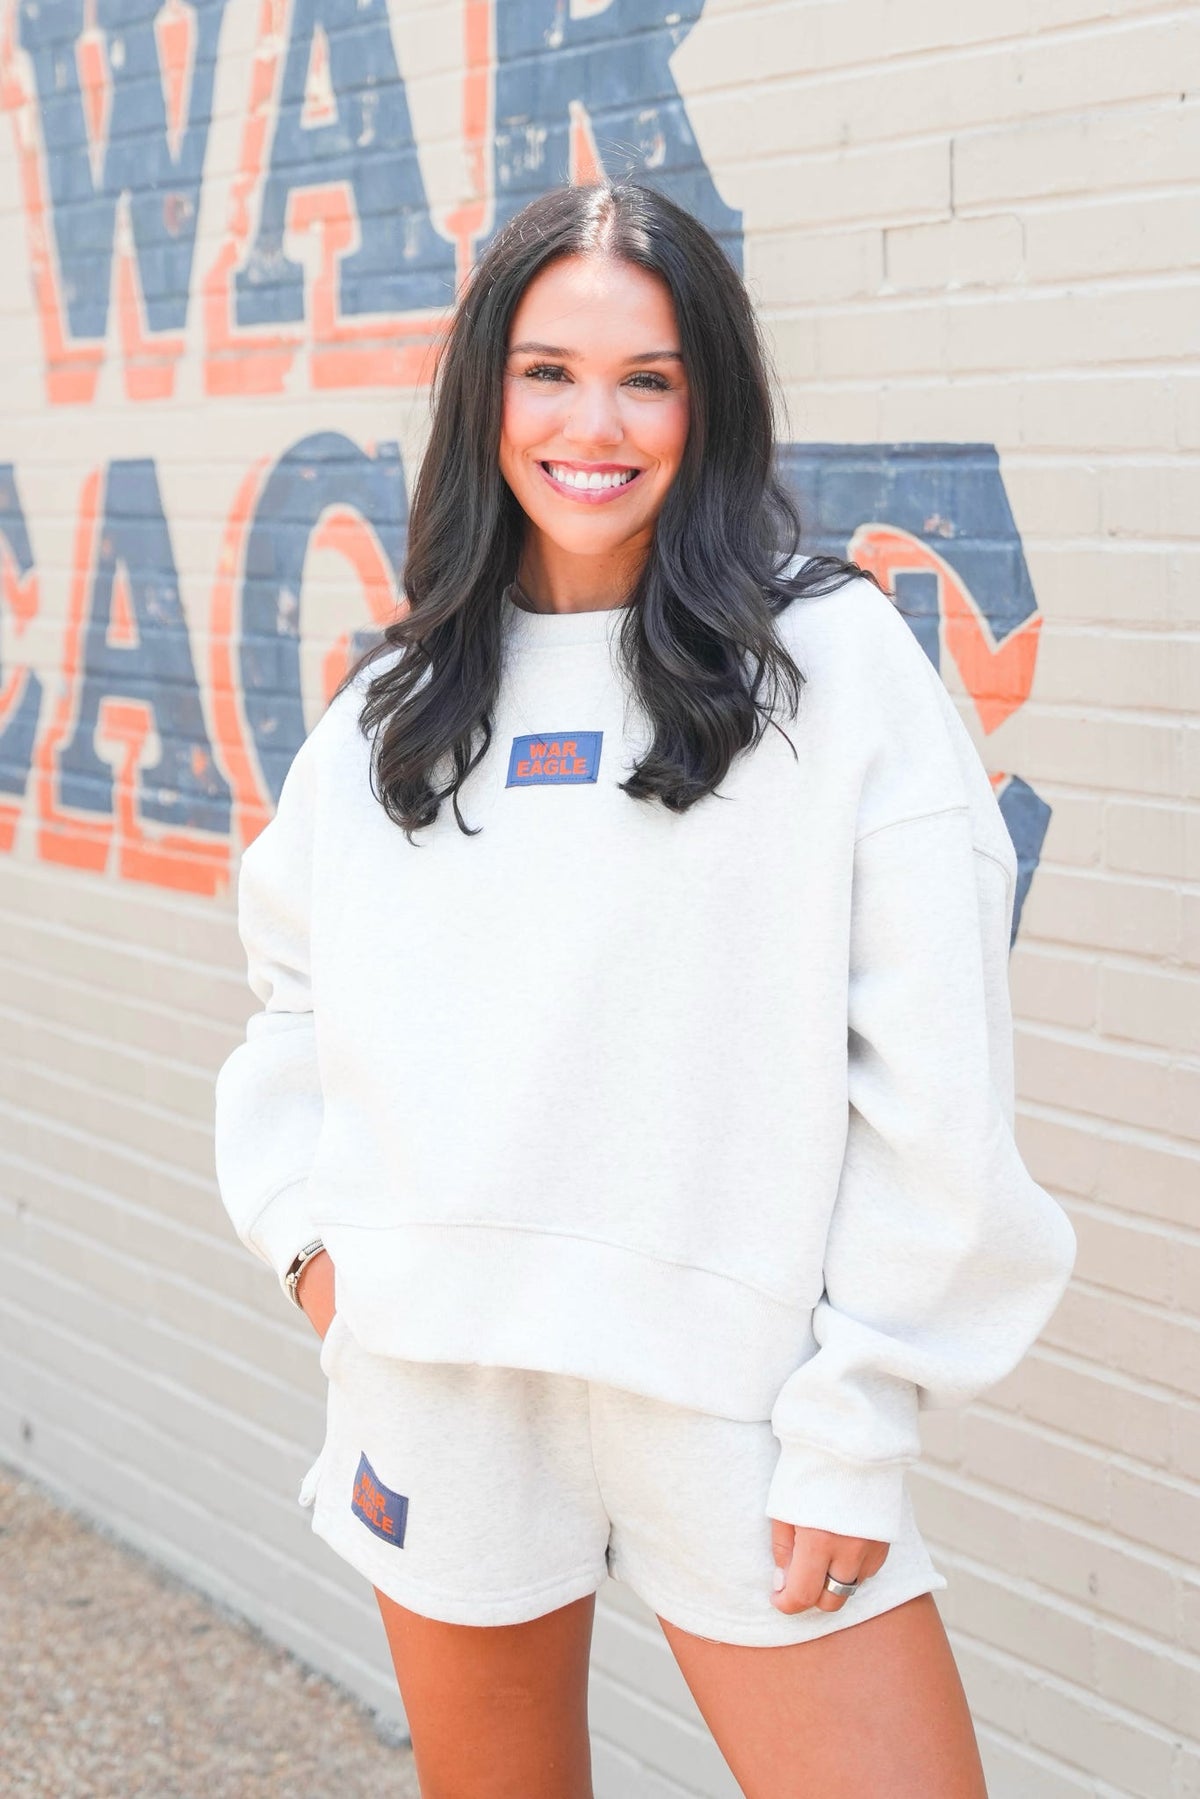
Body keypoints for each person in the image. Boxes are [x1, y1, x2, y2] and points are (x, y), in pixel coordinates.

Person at [213, 179, 1076, 1799]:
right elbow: (289, 1001)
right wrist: (322, 1257)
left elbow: (933, 1076)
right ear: (487, 398)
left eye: (647, 376)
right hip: (443, 1380)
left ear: (711, 401)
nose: (590, 422)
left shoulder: (834, 666)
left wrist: (863, 1408)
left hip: (741, 1393)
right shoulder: (401, 697)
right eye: (546, 371)